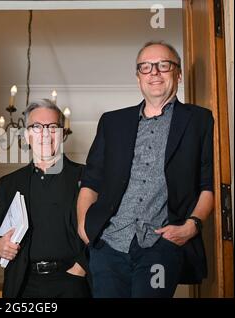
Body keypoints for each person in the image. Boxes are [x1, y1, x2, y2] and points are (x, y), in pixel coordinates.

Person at [77, 41, 214, 298]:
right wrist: (84, 227)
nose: (154, 72)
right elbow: (91, 181)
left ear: (178, 73)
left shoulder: (199, 121)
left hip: (161, 246)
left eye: (163, 65)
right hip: (109, 246)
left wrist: (192, 226)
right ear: (138, 76)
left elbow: (208, 185)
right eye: (146, 67)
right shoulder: (112, 122)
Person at [0, 99, 91, 298]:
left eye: (52, 127)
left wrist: (80, 268)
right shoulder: (9, 183)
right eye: (37, 127)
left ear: (63, 133)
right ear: (27, 136)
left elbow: (102, 228)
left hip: (73, 282)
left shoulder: (85, 176)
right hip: (23, 285)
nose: (45, 134)